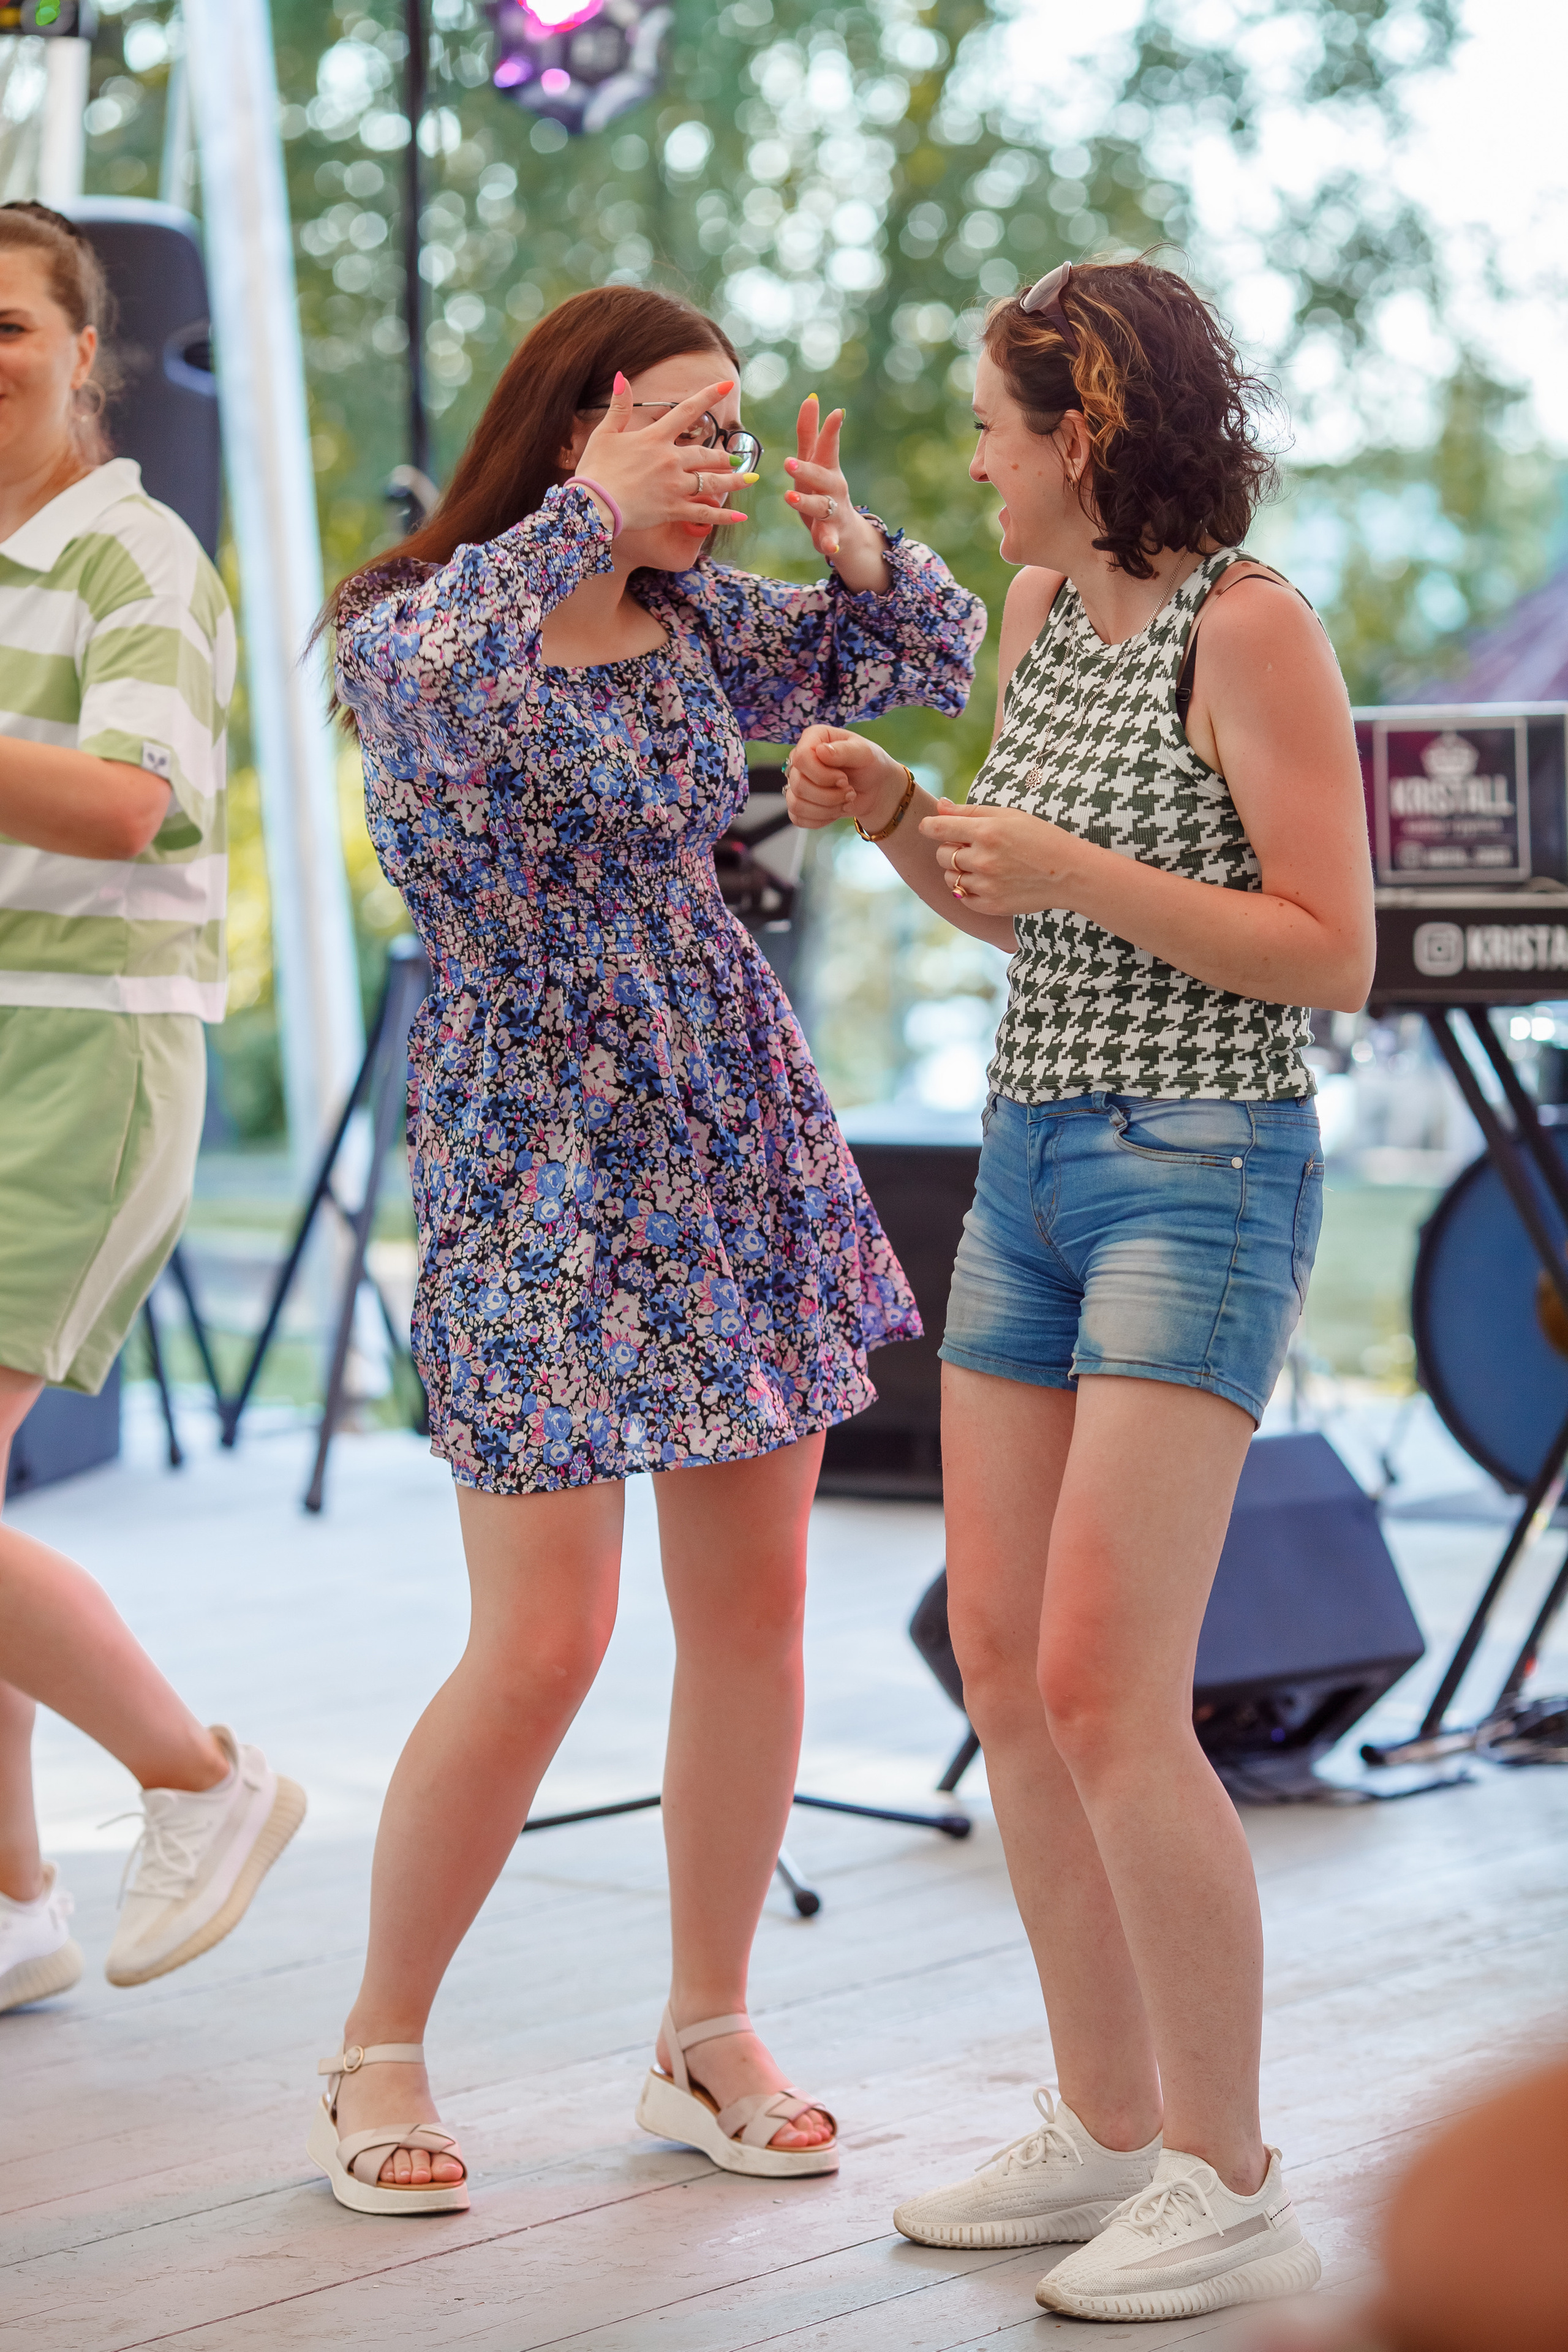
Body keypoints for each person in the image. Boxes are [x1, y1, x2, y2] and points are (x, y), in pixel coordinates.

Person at [309, 283, 984, 2215]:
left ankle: (708, 2028)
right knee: (541, 1639)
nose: (730, 475)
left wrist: (863, 546)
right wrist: (585, 515)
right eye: (697, 432)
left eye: (736, 434)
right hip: (534, 1147)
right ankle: (375, 2049)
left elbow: (921, 653)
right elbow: (442, 682)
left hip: (728, 1117)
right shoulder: (425, 618)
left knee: (753, 1613)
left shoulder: (699, 628)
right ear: (593, 419)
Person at [784, 257, 1374, 2322]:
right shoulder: (1037, 620)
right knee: (1021, 1675)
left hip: (1202, 1177)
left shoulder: (1258, 629)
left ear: (1087, 432)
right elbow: (1005, 902)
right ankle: (1106, 2128)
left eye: (989, 428)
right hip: (1032, 1162)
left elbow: (1328, 948)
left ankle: (1232, 2170)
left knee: (1120, 1692)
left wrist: (1075, 875)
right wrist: (900, 822)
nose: (973, 465)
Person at [0, 203, 303, 2013]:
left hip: (82, 1063)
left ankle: (201, 1777)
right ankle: (14, 1898)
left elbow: (127, 807)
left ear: (83, 353)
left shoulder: (141, 562)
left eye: (10, 322)